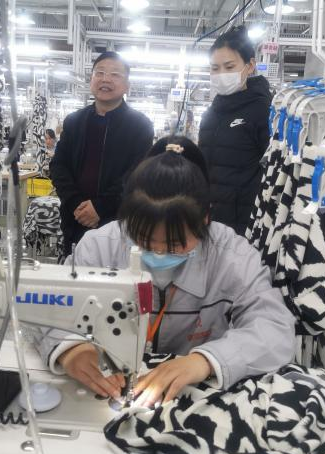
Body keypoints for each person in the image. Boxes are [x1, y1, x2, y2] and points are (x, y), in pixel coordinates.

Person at [36, 136, 296, 406]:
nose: (159, 252)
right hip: (108, 384)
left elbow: (275, 329)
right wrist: (70, 349)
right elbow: (48, 309)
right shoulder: (99, 247)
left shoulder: (233, 256)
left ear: (205, 220)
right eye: (144, 240)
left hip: (191, 397)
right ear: (127, 220)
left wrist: (206, 360)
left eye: (174, 245)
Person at [50, 51, 154, 258]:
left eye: (115, 74)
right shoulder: (74, 121)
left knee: (116, 274)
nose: (106, 79)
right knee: (74, 270)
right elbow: (59, 166)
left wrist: (100, 207)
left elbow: (137, 175)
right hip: (75, 219)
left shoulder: (140, 126)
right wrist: (76, 204)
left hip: (118, 223)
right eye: (100, 73)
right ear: (91, 80)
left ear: (127, 86)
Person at [198, 26, 272, 236]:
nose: (221, 74)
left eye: (229, 66)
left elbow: (273, 173)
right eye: (215, 68)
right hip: (208, 221)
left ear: (250, 66)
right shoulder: (211, 113)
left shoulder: (264, 110)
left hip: (245, 226)